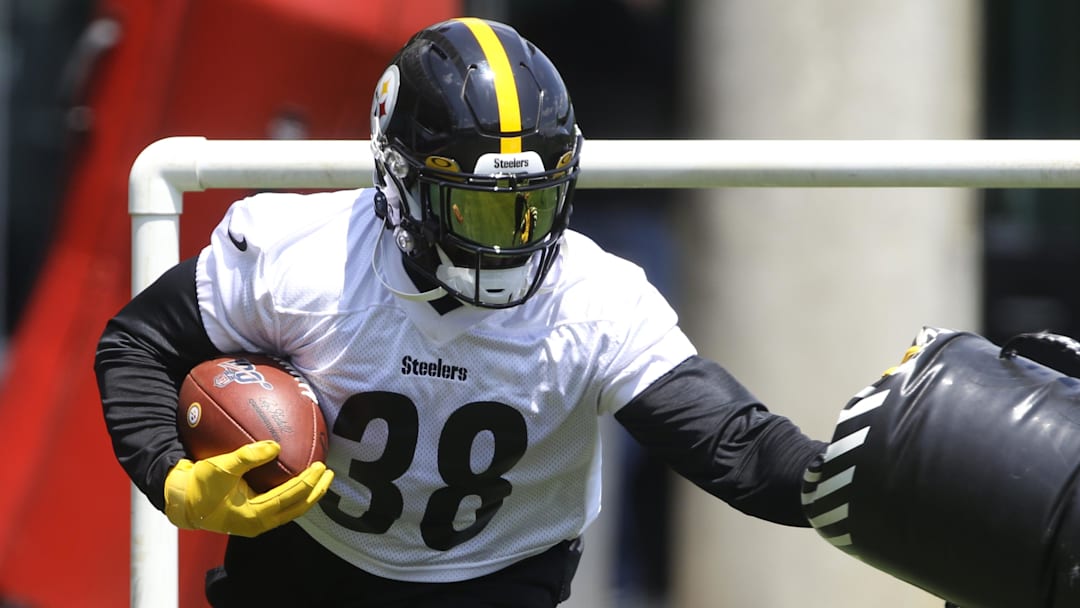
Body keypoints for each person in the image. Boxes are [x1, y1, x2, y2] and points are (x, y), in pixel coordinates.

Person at [95, 17, 827, 607]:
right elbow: (136, 347)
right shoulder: (304, 258)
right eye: (474, 206)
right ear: (399, 184)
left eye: (531, 206)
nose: (510, 240)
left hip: (497, 577)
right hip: (305, 564)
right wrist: (170, 474)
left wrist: (846, 485)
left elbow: (732, 443)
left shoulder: (592, 299)